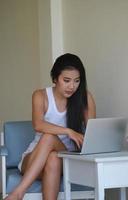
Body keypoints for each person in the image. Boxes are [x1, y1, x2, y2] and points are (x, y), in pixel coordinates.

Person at [4, 53, 96, 200]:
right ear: (55, 78)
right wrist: (68, 131)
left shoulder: (85, 98)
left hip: (66, 160)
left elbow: (93, 134)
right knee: (50, 148)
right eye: (66, 80)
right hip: (33, 159)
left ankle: (18, 193)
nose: (72, 86)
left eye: (77, 81)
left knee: (52, 150)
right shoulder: (40, 95)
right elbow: (38, 125)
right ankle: (18, 193)